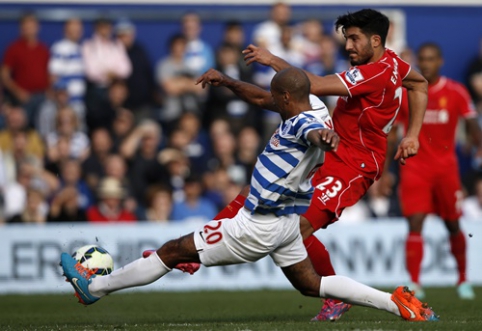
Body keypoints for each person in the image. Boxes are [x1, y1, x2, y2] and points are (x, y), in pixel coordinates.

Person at [60, 67, 437, 323]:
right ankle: (397, 304)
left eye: (276, 99)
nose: (271, 104)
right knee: (312, 285)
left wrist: (324, 139)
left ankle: (93, 287)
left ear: (288, 98)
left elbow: (310, 134)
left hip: (256, 226)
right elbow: (266, 101)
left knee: (173, 250)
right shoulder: (315, 107)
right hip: (286, 225)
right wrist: (227, 81)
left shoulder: (303, 124)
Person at [206, 9, 428, 321]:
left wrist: (272, 60)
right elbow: (419, 84)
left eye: (354, 39)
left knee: (291, 229)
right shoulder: (392, 62)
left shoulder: (375, 71)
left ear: (375, 40)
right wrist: (412, 135)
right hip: (329, 150)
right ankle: (200, 243)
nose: (348, 46)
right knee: (258, 190)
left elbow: (314, 84)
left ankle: (335, 298)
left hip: (354, 164)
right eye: (346, 38)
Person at [384, 43, 481, 300]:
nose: (425, 64)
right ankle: (415, 282)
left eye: (430, 59)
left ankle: (462, 280)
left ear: (440, 62)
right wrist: (383, 172)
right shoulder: (407, 93)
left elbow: (472, 124)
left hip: (446, 169)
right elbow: (392, 134)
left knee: (452, 223)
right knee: (415, 222)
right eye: (422, 59)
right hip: (415, 168)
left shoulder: (456, 91)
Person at [1, 13, 49, 126]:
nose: (29, 30)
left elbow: (48, 74)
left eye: (31, 26)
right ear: (21, 29)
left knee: (46, 118)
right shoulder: (13, 49)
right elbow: (4, 75)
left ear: (37, 27)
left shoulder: (44, 49)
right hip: (22, 98)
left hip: (42, 96)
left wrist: (48, 91)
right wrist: (18, 92)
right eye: (25, 27)